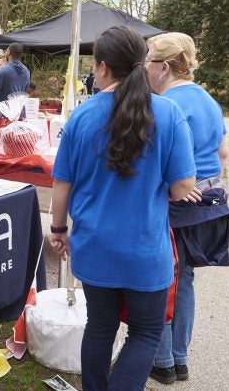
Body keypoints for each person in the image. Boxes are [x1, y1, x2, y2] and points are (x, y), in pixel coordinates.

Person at [48, 26, 196, 391]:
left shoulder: (81, 117)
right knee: (145, 333)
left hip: (95, 248)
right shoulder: (168, 113)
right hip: (146, 251)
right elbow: (182, 188)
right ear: (142, 65)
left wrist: (58, 230)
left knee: (100, 327)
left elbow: (61, 183)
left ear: (101, 67)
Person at [145, 32, 229, 385]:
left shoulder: (166, 105)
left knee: (164, 279)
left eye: (149, 60)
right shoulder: (207, 99)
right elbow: (223, 153)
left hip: (178, 201)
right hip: (209, 203)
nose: (145, 67)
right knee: (185, 280)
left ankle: (163, 361)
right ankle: (178, 358)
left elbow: (155, 161)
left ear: (164, 67)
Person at [0, 42, 30, 141]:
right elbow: (25, 91)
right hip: (20, 115)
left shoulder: (2, 71)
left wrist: (0, 104)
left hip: (3, 115)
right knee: (17, 146)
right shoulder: (26, 71)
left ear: (8, 52)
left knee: (1, 147)